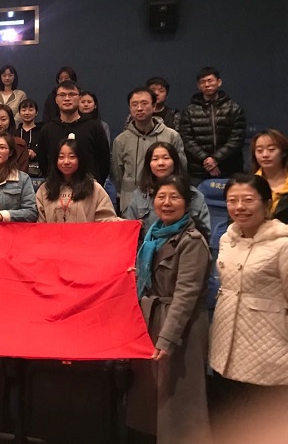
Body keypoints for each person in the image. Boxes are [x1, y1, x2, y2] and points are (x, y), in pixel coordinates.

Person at [126, 174, 212, 443]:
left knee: (179, 401)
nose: (166, 202)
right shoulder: (153, 235)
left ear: (187, 203)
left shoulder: (192, 241)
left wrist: (167, 339)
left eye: (174, 197)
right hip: (152, 320)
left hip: (180, 328)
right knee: (151, 399)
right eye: (161, 197)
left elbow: (186, 295)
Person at [210, 174, 288, 408]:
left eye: (248, 200)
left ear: (266, 204)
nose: (239, 207)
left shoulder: (283, 243)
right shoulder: (227, 238)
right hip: (226, 343)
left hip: (269, 346)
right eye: (232, 200)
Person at [112, 87, 186, 213]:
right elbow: (118, 174)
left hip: (166, 202)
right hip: (130, 203)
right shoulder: (121, 140)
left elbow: (181, 169)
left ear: (154, 106)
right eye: (134, 104)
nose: (139, 108)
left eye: (144, 103)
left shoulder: (171, 136)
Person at [123, 142, 211, 241]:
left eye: (166, 158)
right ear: (149, 164)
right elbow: (129, 234)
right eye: (155, 159)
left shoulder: (193, 195)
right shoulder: (139, 195)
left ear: (175, 162)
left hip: (185, 247)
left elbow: (205, 234)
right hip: (147, 247)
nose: (161, 163)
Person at [179, 67, 246, 182]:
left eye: (210, 80)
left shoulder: (234, 108)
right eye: (203, 82)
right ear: (198, 86)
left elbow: (237, 139)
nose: (207, 85)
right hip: (199, 170)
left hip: (230, 168)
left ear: (219, 82)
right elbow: (187, 140)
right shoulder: (189, 111)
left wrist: (216, 159)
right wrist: (207, 160)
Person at [37, 80, 111, 185]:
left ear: (79, 98)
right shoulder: (47, 130)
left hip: (88, 189)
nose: (67, 98)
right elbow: (43, 163)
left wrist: (94, 186)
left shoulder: (94, 128)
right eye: (62, 95)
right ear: (56, 100)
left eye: (72, 94)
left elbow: (103, 162)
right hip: (56, 189)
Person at [36, 138, 118, 223]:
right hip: (52, 232)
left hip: (85, 232)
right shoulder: (45, 189)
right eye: (61, 157)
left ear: (80, 159)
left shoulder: (94, 188)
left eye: (72, 157)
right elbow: (39, 224)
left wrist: (126, 224)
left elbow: (107, 220)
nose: (66, 162)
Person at [250, 129, 288, 223]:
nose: (265, 155)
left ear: (284, 152)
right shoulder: (248, 184)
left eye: (271, 149)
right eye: (259, 150)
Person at [18, 99, 42, 177]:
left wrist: (36, 154)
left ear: (36, 112)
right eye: (24, 110)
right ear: (19, 113)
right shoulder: (14, 133)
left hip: (39, 173)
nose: (27, 113)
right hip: (17, 172)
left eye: (31, 110)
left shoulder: (42, 132)